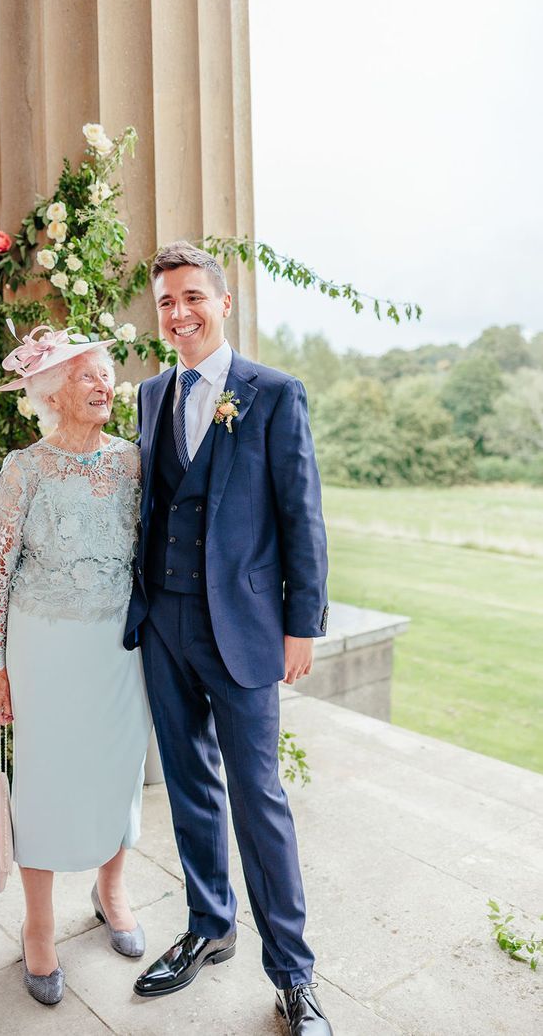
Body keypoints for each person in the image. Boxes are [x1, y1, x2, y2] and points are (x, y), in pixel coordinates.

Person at [124, 242, 333, 1035]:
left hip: (243, 629)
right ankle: (210, 927)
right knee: (188, 786)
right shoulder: (149, 394)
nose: (178, 314)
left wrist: (301, 623)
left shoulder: (273, 394)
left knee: (259, 800)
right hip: (165, 624)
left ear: (223, 301)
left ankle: (294, 976)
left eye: (191, 298)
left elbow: (300, 516)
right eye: (166, 302)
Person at [0, 325, 151, 1006]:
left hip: (119, 647)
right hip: (44, 646)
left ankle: (111, 890)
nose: (102, 384)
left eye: (106, 373)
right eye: (86, 375)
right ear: (53, 392)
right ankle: (40, 926)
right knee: (47, 783)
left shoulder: (135, 463)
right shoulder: (23, 469)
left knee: (118, 769)